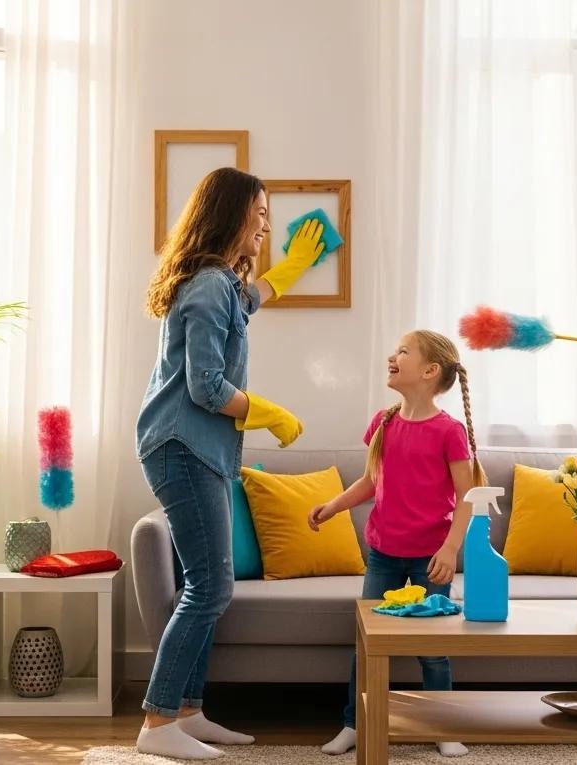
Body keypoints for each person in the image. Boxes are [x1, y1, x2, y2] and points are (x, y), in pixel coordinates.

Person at [135, 167, 326, 759]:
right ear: (231, 215)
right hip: (183, 445)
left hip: (196, 449)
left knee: (203, 584)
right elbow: (206, 388)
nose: (267, 224)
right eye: (261, 214)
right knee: (212, 587)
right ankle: (157, 723)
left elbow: (251, 300)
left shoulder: (216, 282)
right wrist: (270, 412)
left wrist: (292, 267)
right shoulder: (210, 284)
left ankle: (188, 712)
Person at [310, 330, 485, 758]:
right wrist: (334, 505)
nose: (393, 356)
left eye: (403, 352)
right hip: (384, 556)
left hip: (430, 560)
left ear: (430, 371)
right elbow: (372, 481)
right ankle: (354, 723)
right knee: (367, 647)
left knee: (431, 649)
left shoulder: (448, 431)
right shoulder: (383, 422)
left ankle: (442, 726)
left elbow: (468, 494)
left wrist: (449, 549)